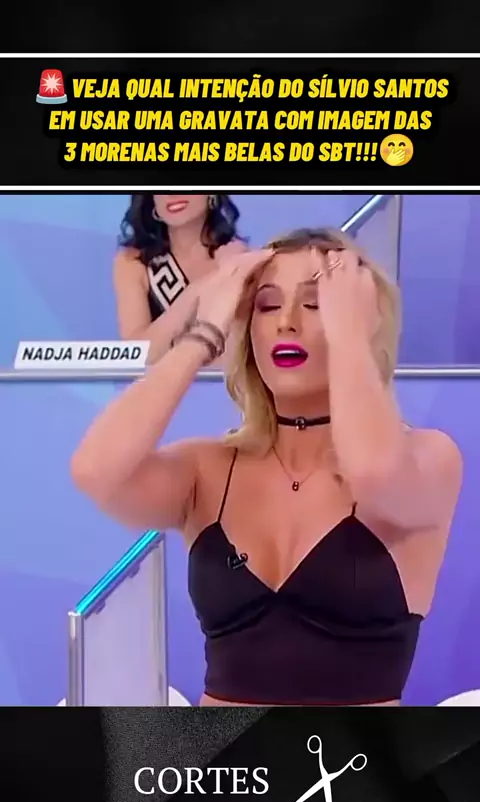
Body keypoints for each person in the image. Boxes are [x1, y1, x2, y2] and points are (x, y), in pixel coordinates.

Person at [72, 228, 463, 707]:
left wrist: (348, 337)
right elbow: (96, 471)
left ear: (362, 320)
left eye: (316, 304)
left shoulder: (429, 457)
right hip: (224, 756)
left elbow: (372, 474)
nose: (287, 323)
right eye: (267, 305)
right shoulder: (207, 469)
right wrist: (203, 334)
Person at [114, 193, 246, 363]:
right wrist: (204, 286)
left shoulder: (239, 260)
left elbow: (238, 359)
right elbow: (137, 355)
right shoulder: (133, 262)